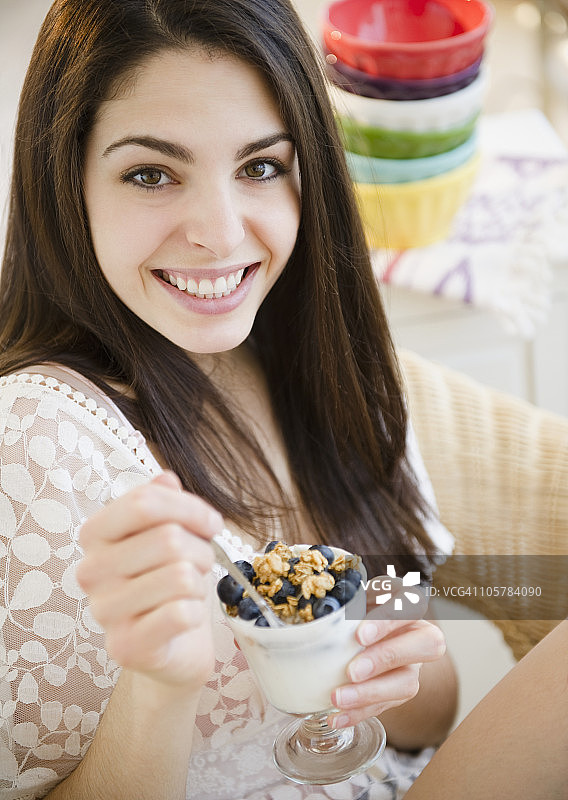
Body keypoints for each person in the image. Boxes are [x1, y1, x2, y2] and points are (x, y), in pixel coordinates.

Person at [0, 2, 565, 799]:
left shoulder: (333, 372)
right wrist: (159, 685)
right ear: (68, 184)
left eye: (260, 166)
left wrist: (399, 655)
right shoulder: (39, 439)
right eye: (152, 173)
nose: (221, 234)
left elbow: (425, 723)